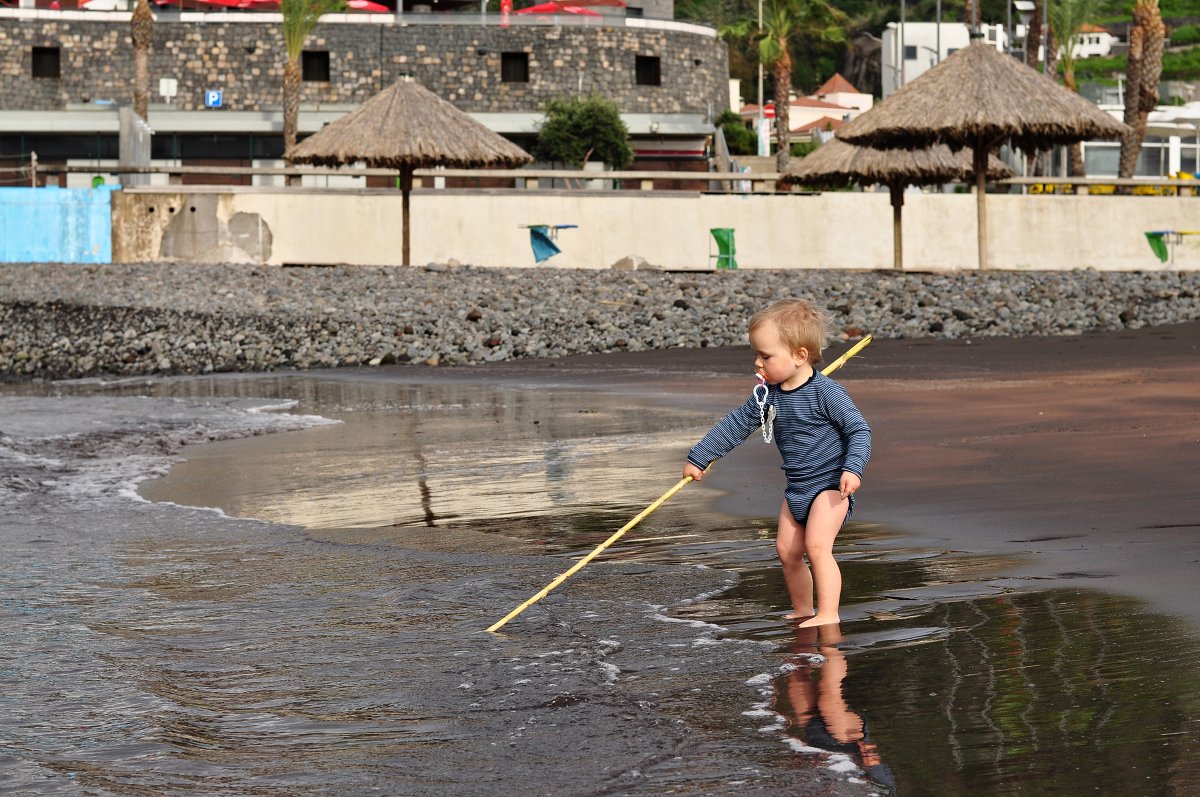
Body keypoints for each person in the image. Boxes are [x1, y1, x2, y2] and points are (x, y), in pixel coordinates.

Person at [683, 299, 871, 627]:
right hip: (797, 488)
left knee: (816, 546)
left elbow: (858, 429)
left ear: (800, 355)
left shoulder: (826, 393)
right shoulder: (767, 395)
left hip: (830, 486)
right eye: (756, 354)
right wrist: (701, 457)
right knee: (787, 551)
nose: (758, 363)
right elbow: (737, 424)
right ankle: (802, 610)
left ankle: (828, 613)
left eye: (766, 356)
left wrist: (852, 468)